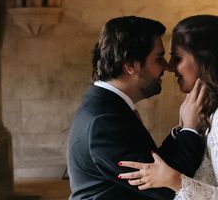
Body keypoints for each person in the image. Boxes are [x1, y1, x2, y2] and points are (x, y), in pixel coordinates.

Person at [119, 14, 218, 200]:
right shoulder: (213, 109)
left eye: (177, 58)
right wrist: (185, 126)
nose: (169, 67)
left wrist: (174, 180)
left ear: (205, 60)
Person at [66, 16, 206, 199]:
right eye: (159, 58)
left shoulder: (106, 105)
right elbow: (166, 188)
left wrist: (181, 129)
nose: (167, 66)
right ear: (131, 65)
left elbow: (155, 163)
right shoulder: (104, 120)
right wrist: (190, 130)